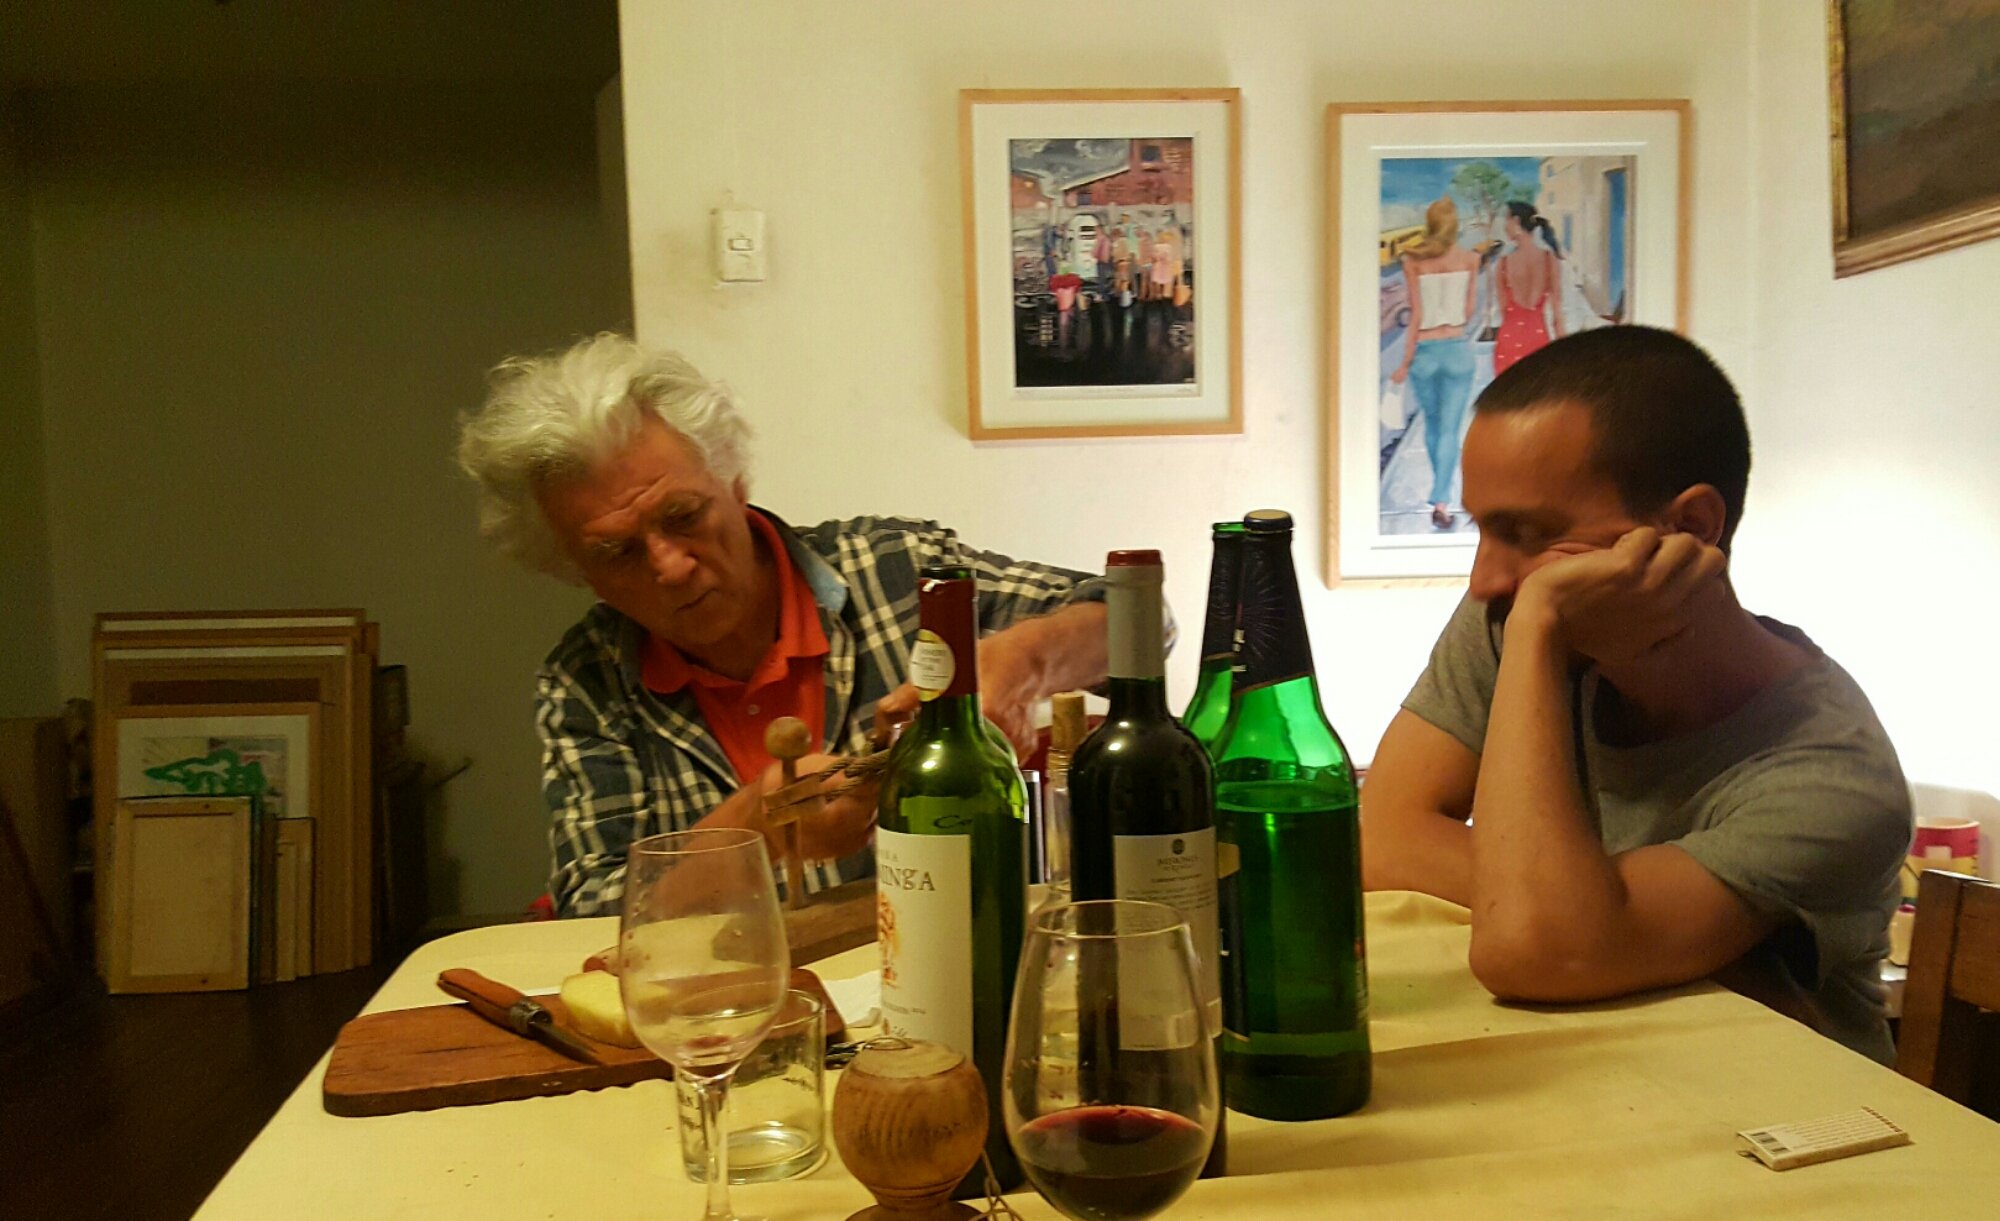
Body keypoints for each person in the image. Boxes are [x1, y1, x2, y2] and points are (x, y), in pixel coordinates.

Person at [1361, 326, 1910, 1063]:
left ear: (1690, 528)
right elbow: (1380, 837)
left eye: (1527, 531)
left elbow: (1531, 947)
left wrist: (1568, 921)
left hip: (1784, 1112)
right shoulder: (1519, 610)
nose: (1485, 579)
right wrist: (1593, 918)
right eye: (1483, 529)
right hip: (1605, 1077)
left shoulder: (1834, 778)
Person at [457, 334, 1112, 916]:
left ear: (734, 478)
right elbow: (597, 912)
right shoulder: (586, 683)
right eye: (617, 552)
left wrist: (1027, 661)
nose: (671, 566)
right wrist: (755, 827)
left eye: (684, 515)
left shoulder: (896, 572)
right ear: (572, 569)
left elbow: (1132, 615)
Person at [1391, 198, 1481, 531]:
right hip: (1457, 350)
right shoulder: (1471, 259)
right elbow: (1468, 312)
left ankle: (1439, 494)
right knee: (1450, 431)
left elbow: (1416, 315)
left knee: (1432, 424)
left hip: (1426, 352)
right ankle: (1441, 500)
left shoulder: (1413, 262)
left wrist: (1404, 362)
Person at [1492, 201, 1566, 376]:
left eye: (1506, 219)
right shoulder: (1549, 259)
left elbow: (1504, 309)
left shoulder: (1503, 263)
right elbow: (1557, 313)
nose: (1504, 226)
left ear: (1516, 221)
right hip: (1538, 339)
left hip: (1509, 339)